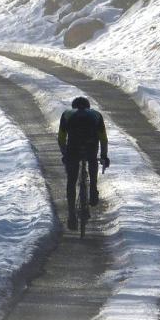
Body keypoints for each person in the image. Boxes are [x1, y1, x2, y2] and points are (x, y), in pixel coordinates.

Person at [57, 96, 110, 231]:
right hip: (91, 147)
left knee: (71, 181)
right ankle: (92, 189)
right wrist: (104, 156)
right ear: (88, 106)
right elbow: (103, 138)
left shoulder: (67, 114)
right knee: (92, 162)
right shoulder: (96, 115)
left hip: (73, 149)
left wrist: (65, 154)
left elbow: (61, 138)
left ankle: (72, 215)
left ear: (74, 106)